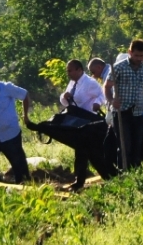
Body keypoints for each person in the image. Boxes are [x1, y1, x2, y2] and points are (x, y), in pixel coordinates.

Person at [104, 40, 143, 169]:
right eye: (136, 55)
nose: (139, 59)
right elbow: (107, 86)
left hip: (138, 113)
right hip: (121, 113)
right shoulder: (118, 67)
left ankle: (135, 175)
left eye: (141, 56)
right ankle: (123, 173)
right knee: (124, 146)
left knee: (137, 146)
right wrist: (112, 100)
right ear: (130, 52)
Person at [58, 59, 109, 191]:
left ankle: (107, 177)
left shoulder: (90, 83)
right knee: (81, 151)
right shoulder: (72, 83)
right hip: (77, 122)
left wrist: (97, 103)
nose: (68, 73)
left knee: (90, 153)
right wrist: (65, 96)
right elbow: (65, 102)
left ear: (79, 70)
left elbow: (103, 95)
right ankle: (79, 181)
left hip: (89, 123)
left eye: (70, 70)